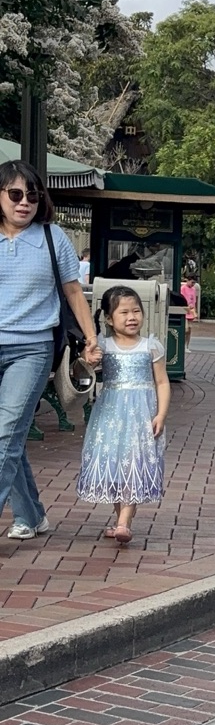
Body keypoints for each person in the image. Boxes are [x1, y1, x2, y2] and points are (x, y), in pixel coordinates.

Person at [0, 161, 101, 541]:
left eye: (32, 195)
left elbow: (74, 292)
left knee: (5, 433)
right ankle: (31, 515)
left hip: (31, 348)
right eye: (14, 194)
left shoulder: (51, 237)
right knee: (9, 438)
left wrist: (91, 339)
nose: (24, 202)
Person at [77, 285, 170, 543]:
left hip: (141, 415)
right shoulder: (103, 345)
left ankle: (122, 522)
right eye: (124, 312)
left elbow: (162, 382)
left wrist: (161, 414)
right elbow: (83, 370)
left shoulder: (151, 346)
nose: (132, 317)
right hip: (110, 414)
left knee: (135, 463)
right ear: (109, 318)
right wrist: (88, 358)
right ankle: (121, 519)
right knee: (116, 464)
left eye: (136, 311)